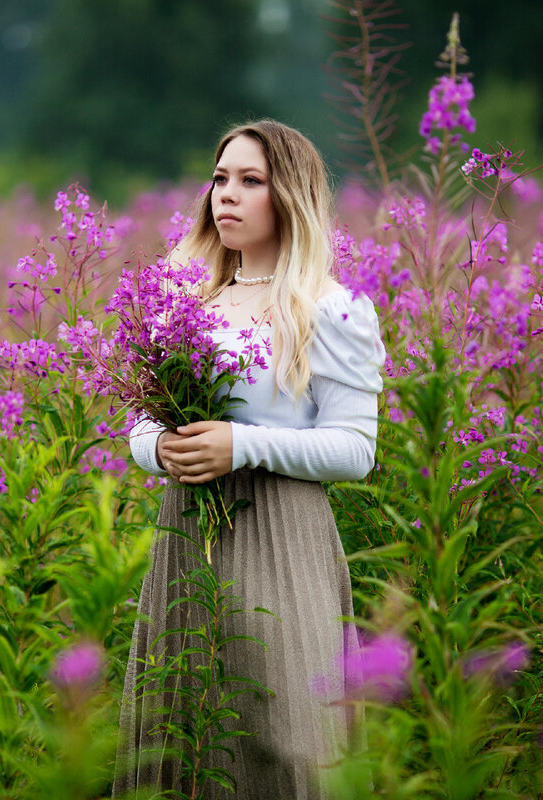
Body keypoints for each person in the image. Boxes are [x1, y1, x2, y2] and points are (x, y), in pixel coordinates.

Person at [113, 120, 384, 800]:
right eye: (220, 178)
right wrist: (162, 450)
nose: (225, 196)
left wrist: (243, 444)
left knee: (289, 742)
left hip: (282, 536)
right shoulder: (183, 298)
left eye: (250, 181)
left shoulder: (332, 310)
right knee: (180, 735)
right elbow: (138, 426)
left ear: (289, 195)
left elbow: (356, 450)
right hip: (186, 538)